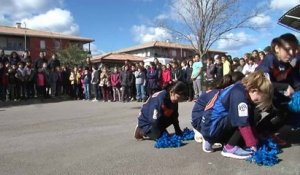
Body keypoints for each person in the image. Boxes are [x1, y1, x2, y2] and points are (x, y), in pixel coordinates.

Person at [192, 71, 273, 159]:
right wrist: (253, 144)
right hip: (212, 129)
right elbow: (243, 123)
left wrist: (255, 137)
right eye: (257, 100)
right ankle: (230, 147)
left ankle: (209, 140)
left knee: (247, 113)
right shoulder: (239, 95)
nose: (256, 103)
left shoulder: (239, 87)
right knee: (250, 115)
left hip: (208, 127)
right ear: (254, 90)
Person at [256, 33, 300, 142]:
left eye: (295, 50)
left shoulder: (288, 66)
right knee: (277, 112)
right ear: (277, 48)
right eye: (288, 49)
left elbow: (296, 83)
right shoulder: (270, 59)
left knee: (285, 112)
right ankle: (258, 133)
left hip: (275, 96)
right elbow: (261, 81)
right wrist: (285, 86)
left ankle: (267, 133)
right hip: (258, 96)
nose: (292, 53)